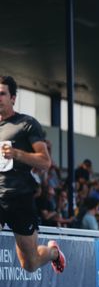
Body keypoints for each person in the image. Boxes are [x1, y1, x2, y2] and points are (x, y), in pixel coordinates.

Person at [0, 75, 65, 273]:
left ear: (13, 98)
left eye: (2, 93)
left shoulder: (26, 124)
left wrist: (18, 154)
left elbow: (45, 162)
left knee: (30, 264)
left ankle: (53, 252)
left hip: (20, 199)